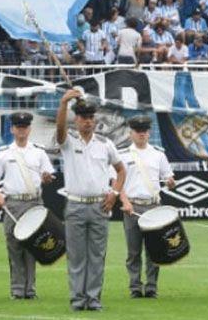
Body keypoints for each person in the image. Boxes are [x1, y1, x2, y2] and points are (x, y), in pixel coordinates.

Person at [54, 88, 126, 312]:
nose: (88, 122)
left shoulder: (105, 144)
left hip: (99, 205)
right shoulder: (68, 142)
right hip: (75, 204)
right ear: (76, 120)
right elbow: (59, 131)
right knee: (76, 256)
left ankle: (93, 299)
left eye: (91, 118)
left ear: (94, 120)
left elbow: (121, 171)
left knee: (96, 256)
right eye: (84, 118)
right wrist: (64, 103)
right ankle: (77, 300)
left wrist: (114, 194)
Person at [0, 111, 55, 300]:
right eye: (18, 128)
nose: (22, 131)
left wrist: (47, 178)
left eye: (24, 128)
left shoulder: (39, 152)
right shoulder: (4, 154)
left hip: (34, 202)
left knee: (33, 246)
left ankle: (30, 289)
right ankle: (17, 289)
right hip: (13, 203)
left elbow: (48, 176)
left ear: (29, 129)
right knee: (14, 246)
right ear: (12, 129)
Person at [118, 114, 174, 299]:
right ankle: (135, 287)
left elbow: (168, 177)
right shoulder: (123, 156)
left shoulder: (158, 154)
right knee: (133, 251)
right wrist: (125, 202)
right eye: (137, 131)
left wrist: (171, 182)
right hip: (132, 206)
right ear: (131, 133)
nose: (141, 134)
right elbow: (117, 183)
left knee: (154, 250)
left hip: (153, 205)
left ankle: (151, 287)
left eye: (144, 131)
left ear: (149, 133)